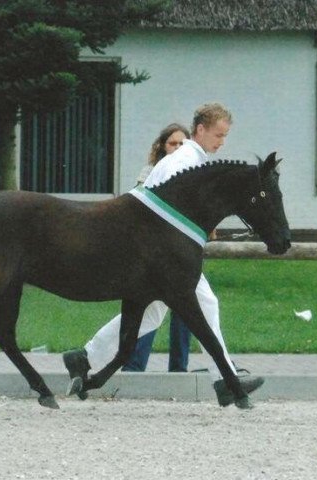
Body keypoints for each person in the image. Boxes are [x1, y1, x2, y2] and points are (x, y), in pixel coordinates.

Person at [64, 103, 264, 406]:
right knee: (206, 304)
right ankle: (224, 380)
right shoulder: (183, 160)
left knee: (153, 314)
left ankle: (84, 357)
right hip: (163, 255)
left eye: (224, 136)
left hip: (161, 253)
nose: (221, 142)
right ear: (200, 129)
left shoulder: (188, 159)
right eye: (218, 135)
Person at [123, 123, 193, 373]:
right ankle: (134, 366)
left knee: (185, 312)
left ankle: (179, 368)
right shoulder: (150, 172)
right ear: (162, 146)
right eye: (172, 143)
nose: (176, 148)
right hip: (154, 253)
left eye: (181, 144)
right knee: (148, 309)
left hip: (182, 253)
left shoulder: (191, 173)